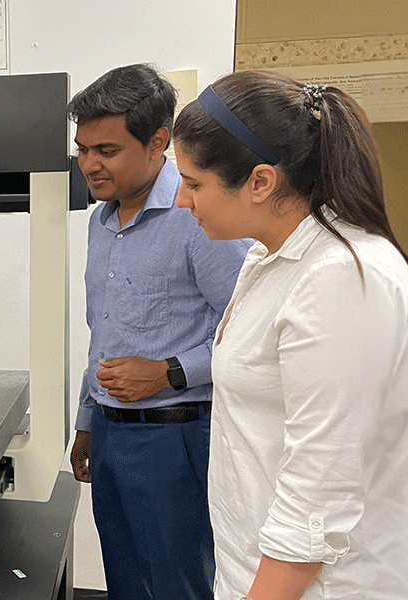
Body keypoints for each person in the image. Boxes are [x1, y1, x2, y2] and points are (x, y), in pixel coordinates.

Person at [173, 70, 408, 600]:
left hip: (330, 586)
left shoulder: (341, 277)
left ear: (261, 182)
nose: (181, 201)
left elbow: (321, 487)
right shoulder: (270, 259)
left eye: (194, 183)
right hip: (256, 570)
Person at [67, 64, 251, 600]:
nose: (90, 165)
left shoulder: (197, 217)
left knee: (177, 584)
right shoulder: (100, 222)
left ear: (158, 141)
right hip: (110, 433)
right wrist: (87, 420)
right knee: (124, 579)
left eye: (106, 149)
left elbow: (251, 334)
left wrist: (169, 373)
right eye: (82, 149)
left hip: (178, 438)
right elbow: (103, 333)